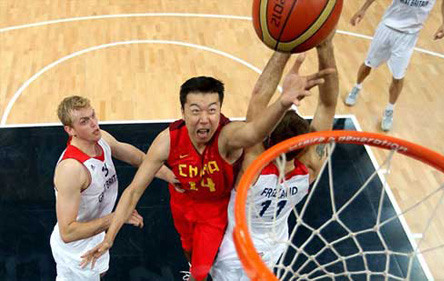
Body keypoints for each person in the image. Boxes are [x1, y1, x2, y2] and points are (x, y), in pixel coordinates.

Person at [81, 57, 335, 281]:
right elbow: (134, 190)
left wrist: (282, 99)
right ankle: (193, 267)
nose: (204, 118)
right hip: (184, 201)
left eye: (212, 111)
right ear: (182, 112)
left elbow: (255, 128)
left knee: (202, 271)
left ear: (221, 111)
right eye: (195, 111)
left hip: (215, 213)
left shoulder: (230, 139)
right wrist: (109, 237)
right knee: (188, 249)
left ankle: (196, 275)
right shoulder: (168, 140)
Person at [210, 32, 339, 280]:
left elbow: (260, 95)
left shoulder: (254, 165)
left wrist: (284, 44)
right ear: (303, 147)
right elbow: (327, 105)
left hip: (235, 251)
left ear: (267, 136)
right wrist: (326, 46)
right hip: (272, 250)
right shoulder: (309, 169)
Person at [50, 96, 173, 280]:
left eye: (93, 116)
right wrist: (118, 217)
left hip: (97, 231)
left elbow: (139, 159)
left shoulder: (101, 139)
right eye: (84, 121)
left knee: (101, 271)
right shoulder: (71, 169)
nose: (94, 124)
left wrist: (173, 178)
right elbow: (67, 233)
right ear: (70, 130)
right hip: (77, 249)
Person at [345, 0, 444, 131]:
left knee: (398, 77)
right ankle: (356, 87)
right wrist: (363, 9)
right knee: (368, 64)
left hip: (408, 36)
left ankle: (389, 111)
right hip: (387, 27)